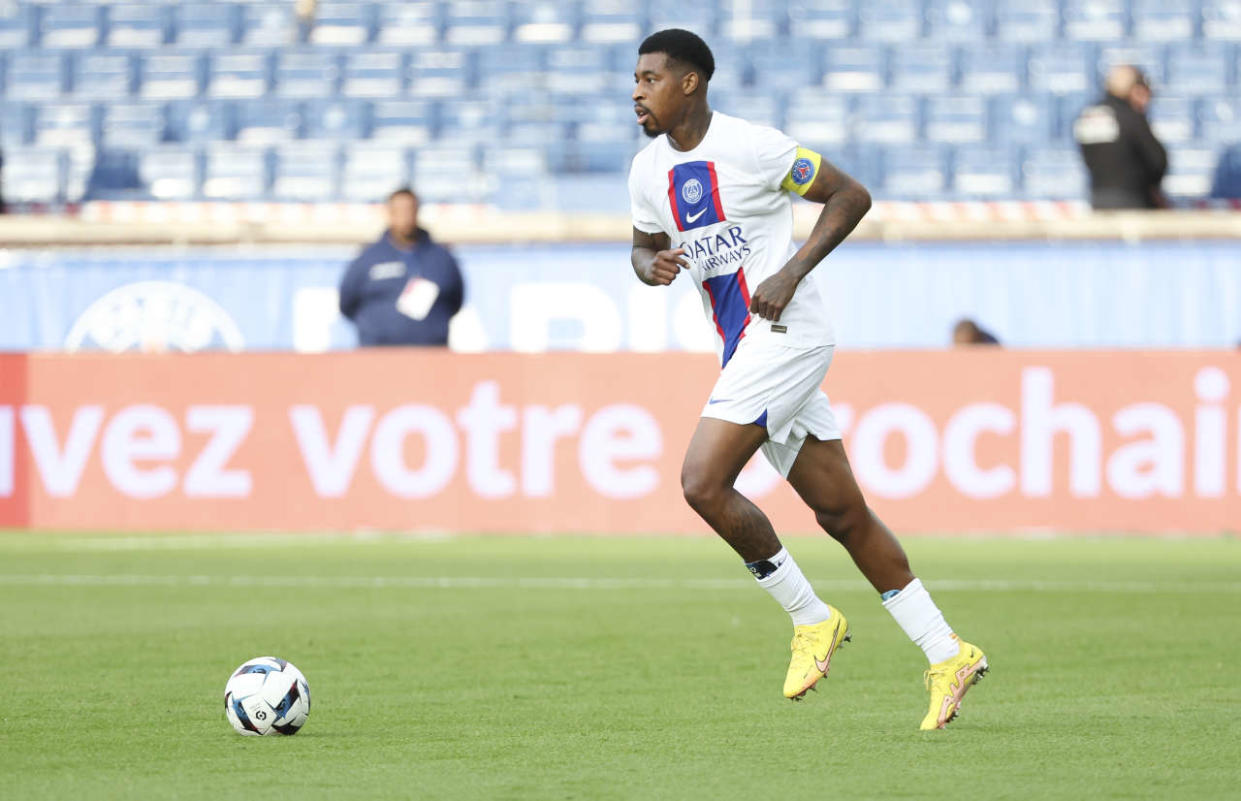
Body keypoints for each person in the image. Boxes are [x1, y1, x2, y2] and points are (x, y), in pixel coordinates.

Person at [627, 29, 987, 730]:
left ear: (690, 82)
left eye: (649, 79)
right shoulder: (646, 170)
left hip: (787, 334)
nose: (636, 92)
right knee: (841, 513)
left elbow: (850, 194)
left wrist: (791, 271)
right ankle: (949, 652)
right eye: (635, 80)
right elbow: (641, 247)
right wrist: (652, 266)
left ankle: (810, 617)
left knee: (701, 482)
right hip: (743, 349)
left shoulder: (752, 147)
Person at [339, 187, 464, 347]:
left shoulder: (441, 257)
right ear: (389, 213)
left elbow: (456, 300)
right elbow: (347, 303)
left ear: (417, 212)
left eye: (409, 209)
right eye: (399, 210)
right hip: (378, 356)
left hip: (431, 356)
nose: (405, 216)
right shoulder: (368, 258)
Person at [1074, 65, 1168, 210]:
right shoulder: (1130, 116)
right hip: (1134, 201)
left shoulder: (1086, 116)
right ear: (1134, 90)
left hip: (1098, 200)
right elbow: (1157, 160)